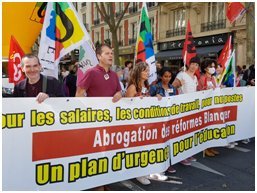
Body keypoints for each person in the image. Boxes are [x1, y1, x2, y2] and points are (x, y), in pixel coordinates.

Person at [76, 44, 122, 190]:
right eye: (107, 53)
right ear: (98, 56)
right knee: (96, 154)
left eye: (111, 53)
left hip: (111, 121)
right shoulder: (91, 72)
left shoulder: (114, 75)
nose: (110, 55)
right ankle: (97, 185)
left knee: (107, 152)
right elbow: (79, 94)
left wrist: (119, 94)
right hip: (95, 122)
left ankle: (104, 181)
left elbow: (119, 92)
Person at [126, 61, 168, 185]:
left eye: (148, 70)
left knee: (145, 148)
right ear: (138, 72)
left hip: (146, 122)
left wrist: (157, 98)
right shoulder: (132, 87)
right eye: (145, 70)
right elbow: (126, 106)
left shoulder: (147, 86)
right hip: (135, 124)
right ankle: (138, 173)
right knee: (137, 149)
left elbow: (148, 101)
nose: (147, 73)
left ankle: (145, 170)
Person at [172, 56, 200, 165]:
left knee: (190, 131)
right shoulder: (181, 75)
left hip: (192, 108)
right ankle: (181, 156)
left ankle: (188, 152)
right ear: (189, 64)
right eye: (193, 63)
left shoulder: (195, 78)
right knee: (182, 132)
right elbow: (171, 87)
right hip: (182, 107)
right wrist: (179, 84)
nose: (194, 66)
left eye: (196, 65)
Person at [149, 67, 177, 174]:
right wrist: (154, 98)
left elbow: (175, 100)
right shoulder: (155, 87)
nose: (167, 79)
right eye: (165, 76)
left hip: (169, 117)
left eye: (169, 76)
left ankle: (168, 163)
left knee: (168, 140)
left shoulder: (172, 88)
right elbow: (147, 101)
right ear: (161, 76)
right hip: (158, 118)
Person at [197, 59, 220, 156]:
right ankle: (205, 148)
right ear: (205, 68)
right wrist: (205, 90)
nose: (213, 68)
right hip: (205, 107)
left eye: (214, 66)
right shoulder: (202, 78)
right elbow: (199, 91)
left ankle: (211, 147)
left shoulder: (213, 78)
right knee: (205, 128)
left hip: (213, 106)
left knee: (212, 127)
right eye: (211, 66)